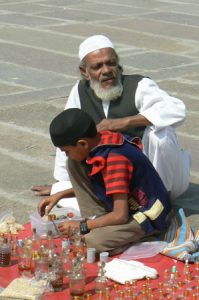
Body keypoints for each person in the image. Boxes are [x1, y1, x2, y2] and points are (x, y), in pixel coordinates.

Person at [32, 34, 191, 202]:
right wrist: (61, 185)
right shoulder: (79, 91)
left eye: (111, 63)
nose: (106, 71)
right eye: (97, 66)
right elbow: (68, 134)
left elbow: (177, 109)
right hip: (118, 178)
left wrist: (126, 122)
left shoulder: (139, 85)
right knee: (68, 201)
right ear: (84, 72)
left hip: (159, 176)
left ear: (118, 64)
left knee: (161, 134)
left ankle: (160, 201)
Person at [38, 108, 172, 255]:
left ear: (83, 144)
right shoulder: (99, 142)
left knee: (90, 242)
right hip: (121, 206)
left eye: (66, 151)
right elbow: (101, 186)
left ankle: (138, 238)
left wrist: (82, 226)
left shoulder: (116, 160)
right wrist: (59, 195)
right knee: (74, 164)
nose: (66, 155)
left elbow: (120, 216)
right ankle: (97, 223)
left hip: (145, 216)